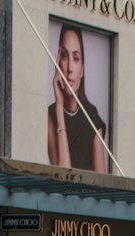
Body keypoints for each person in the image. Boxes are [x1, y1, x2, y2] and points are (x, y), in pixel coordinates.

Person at [47, 24, 107, 173]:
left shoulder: (93, 120)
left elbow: (103, 189)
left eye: (76, 58)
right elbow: (62, 175)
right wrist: (59, 108)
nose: (70, 69)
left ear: (82, 70)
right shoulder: (51, 115)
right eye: (65, 57)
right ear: (58, 63)